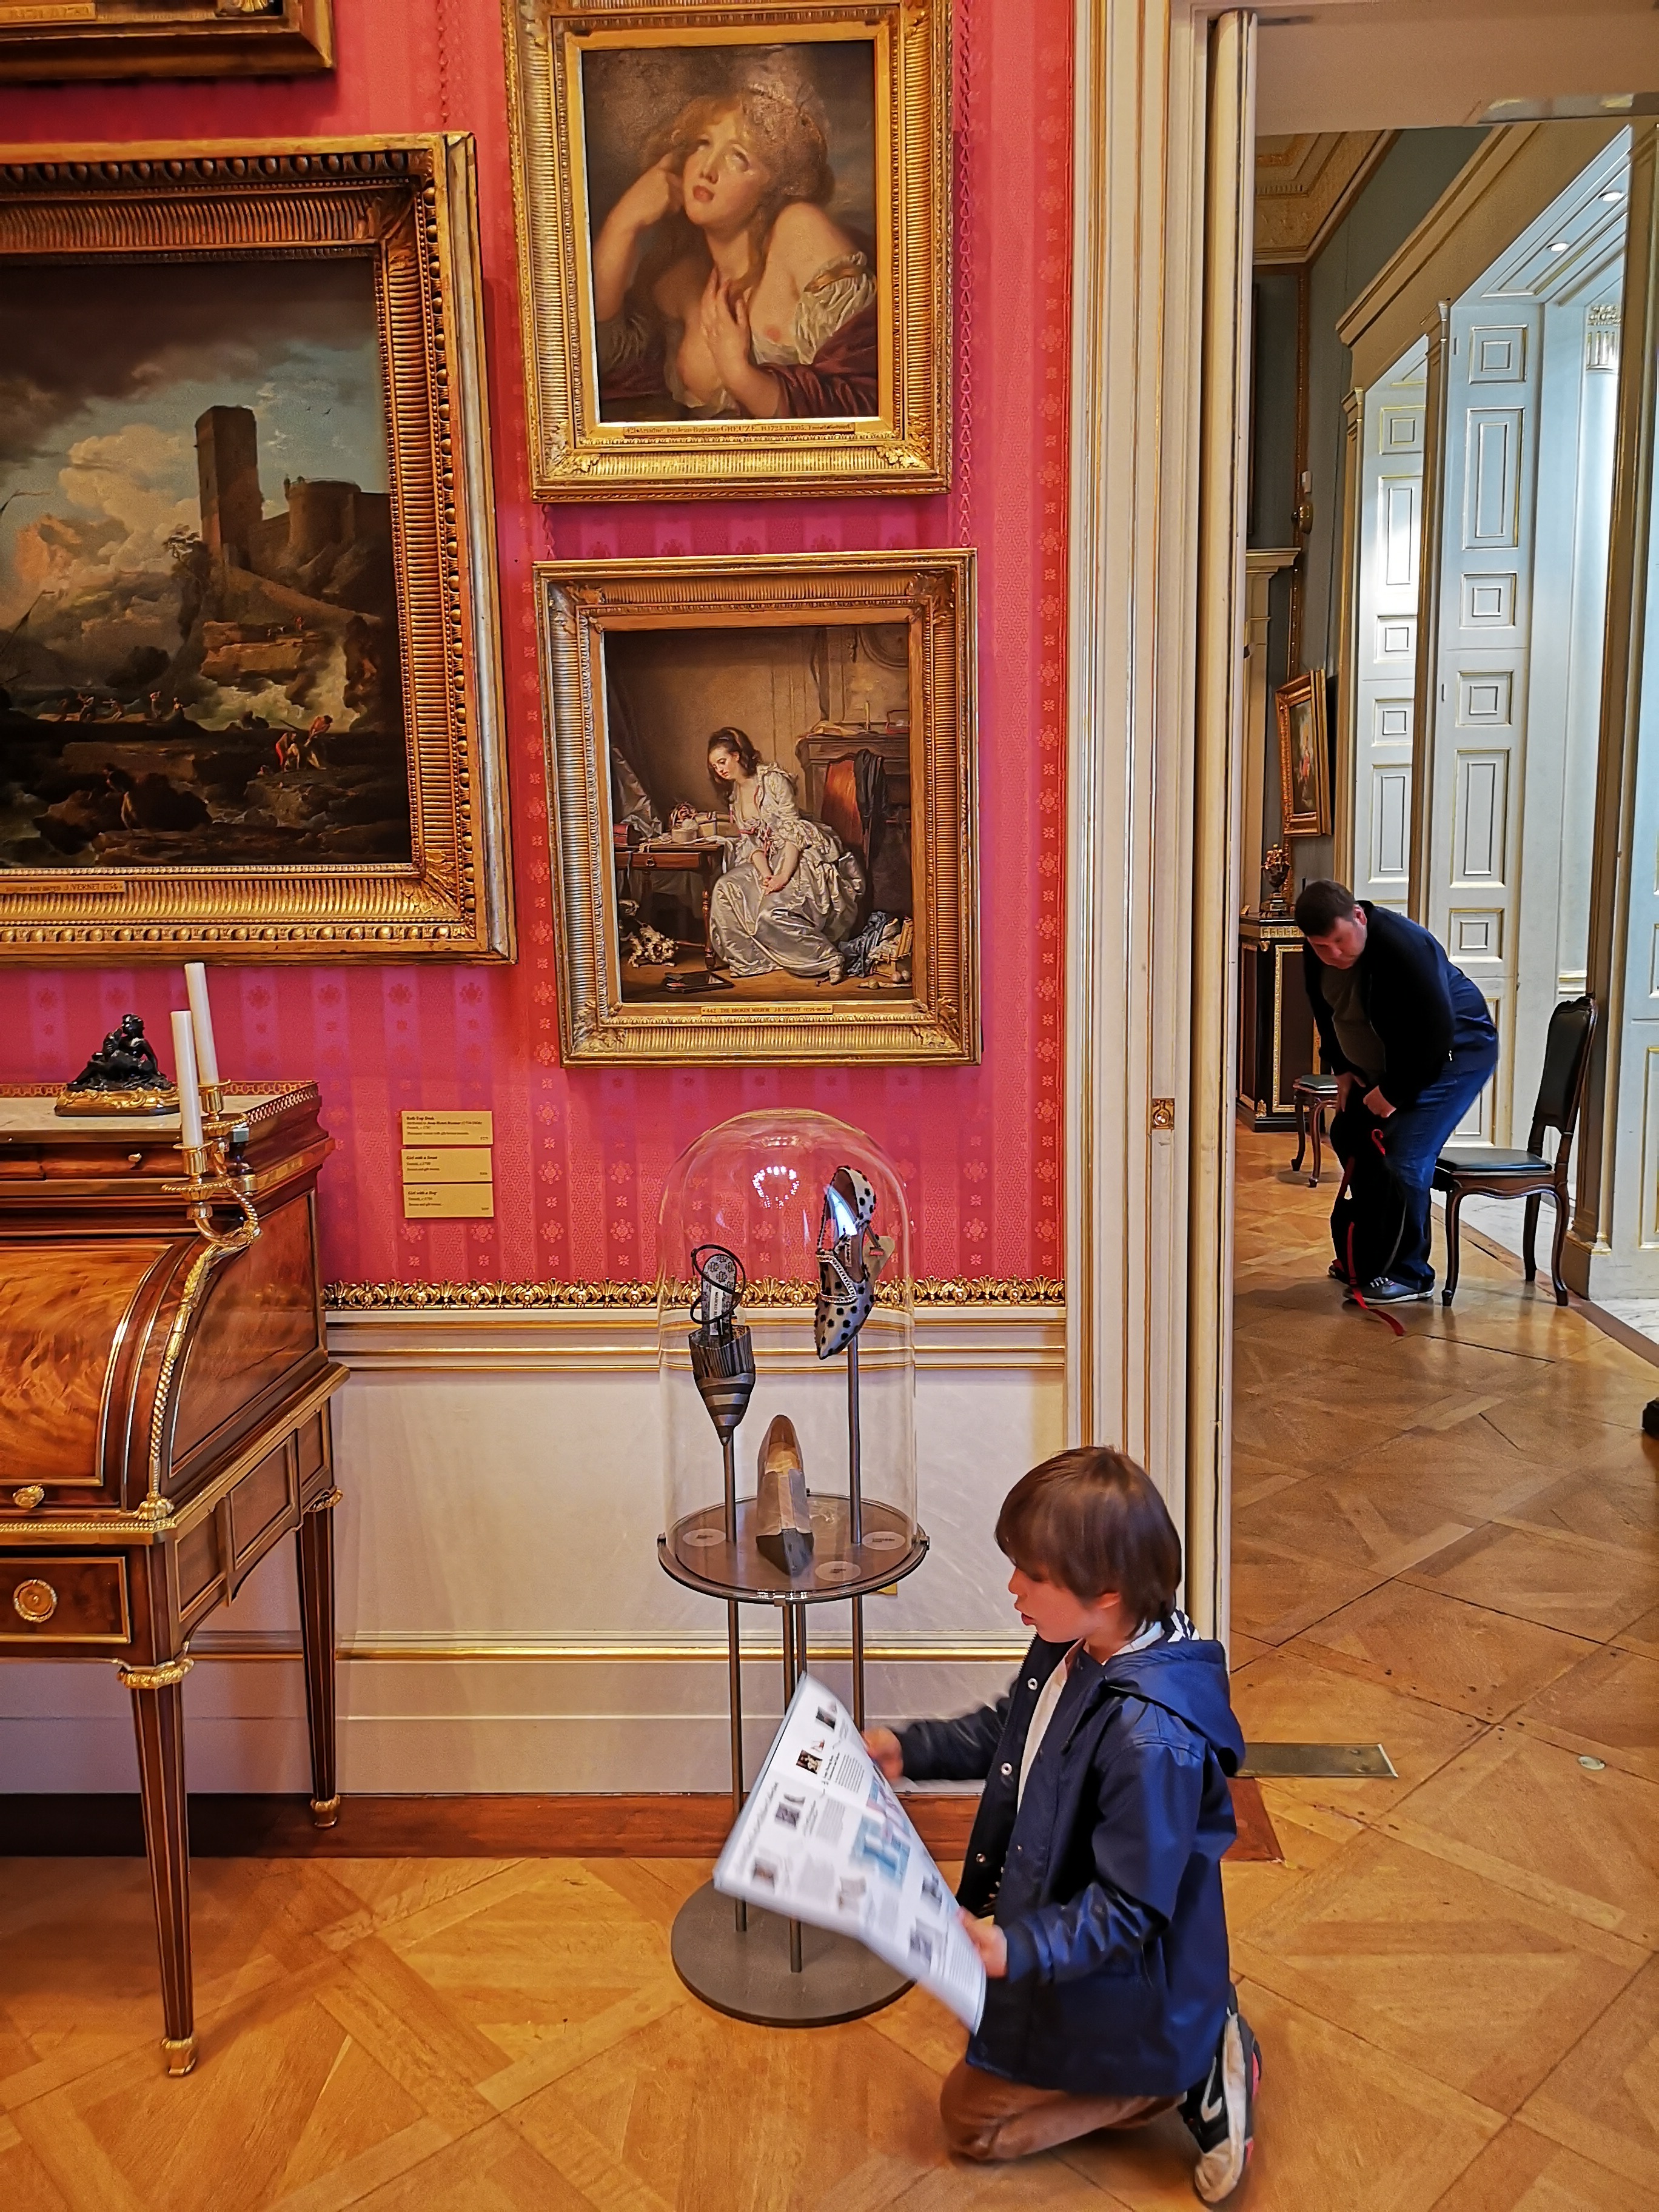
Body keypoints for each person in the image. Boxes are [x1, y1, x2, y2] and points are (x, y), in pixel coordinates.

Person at [863, 1448, 1258, 2204]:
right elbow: (1015, 1728)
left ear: (1105, 1591)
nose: (1012, 1586)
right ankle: (1186, 2036)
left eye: (1032, 1574)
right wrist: (910, 1749)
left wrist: (1020, 1948)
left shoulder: (1151, 1742)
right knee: (988, 2046)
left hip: (1127, 1976)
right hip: (1075, 1945)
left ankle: (1189, 2069)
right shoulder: (1076, 1642)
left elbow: (1130, 1907)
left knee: (969, 2125)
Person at [591, 83, 877, 421]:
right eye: (703, 144)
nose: (707, 169)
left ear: (774, 186)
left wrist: (739, 375)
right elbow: (600, 363)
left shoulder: (799, 232)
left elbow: (865, 403)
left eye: (738, 157)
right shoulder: (678, 279)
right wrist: (622, 225)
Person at [1296, 879, 1499, 1304]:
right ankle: (1374, 1256)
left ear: (1358, 917)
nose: (1333, 954)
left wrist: (1394, 1092)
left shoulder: (1405, 946)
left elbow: (1436, 1034)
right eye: (1320, 946)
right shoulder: (1316, 952)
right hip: (1391, 1060)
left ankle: (1410, 1273)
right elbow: (1323, 1009)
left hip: (1456, 1053)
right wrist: (1342, 1068)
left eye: (1339, 941)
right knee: (1349, 1134)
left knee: (1404, 1153)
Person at [706, 726, 864, 980]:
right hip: (769, 859)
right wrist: (767, 876)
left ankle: (828, 958)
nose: (720, 770)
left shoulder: (773, 780)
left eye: (722, 761)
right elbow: (751, 844)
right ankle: (755, 960)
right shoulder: (735, 796)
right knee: (725, 888)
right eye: (715, 766)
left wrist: (782, 877)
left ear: (736, 756)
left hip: (800, 853)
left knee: (772, 912)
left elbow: (794, 832)